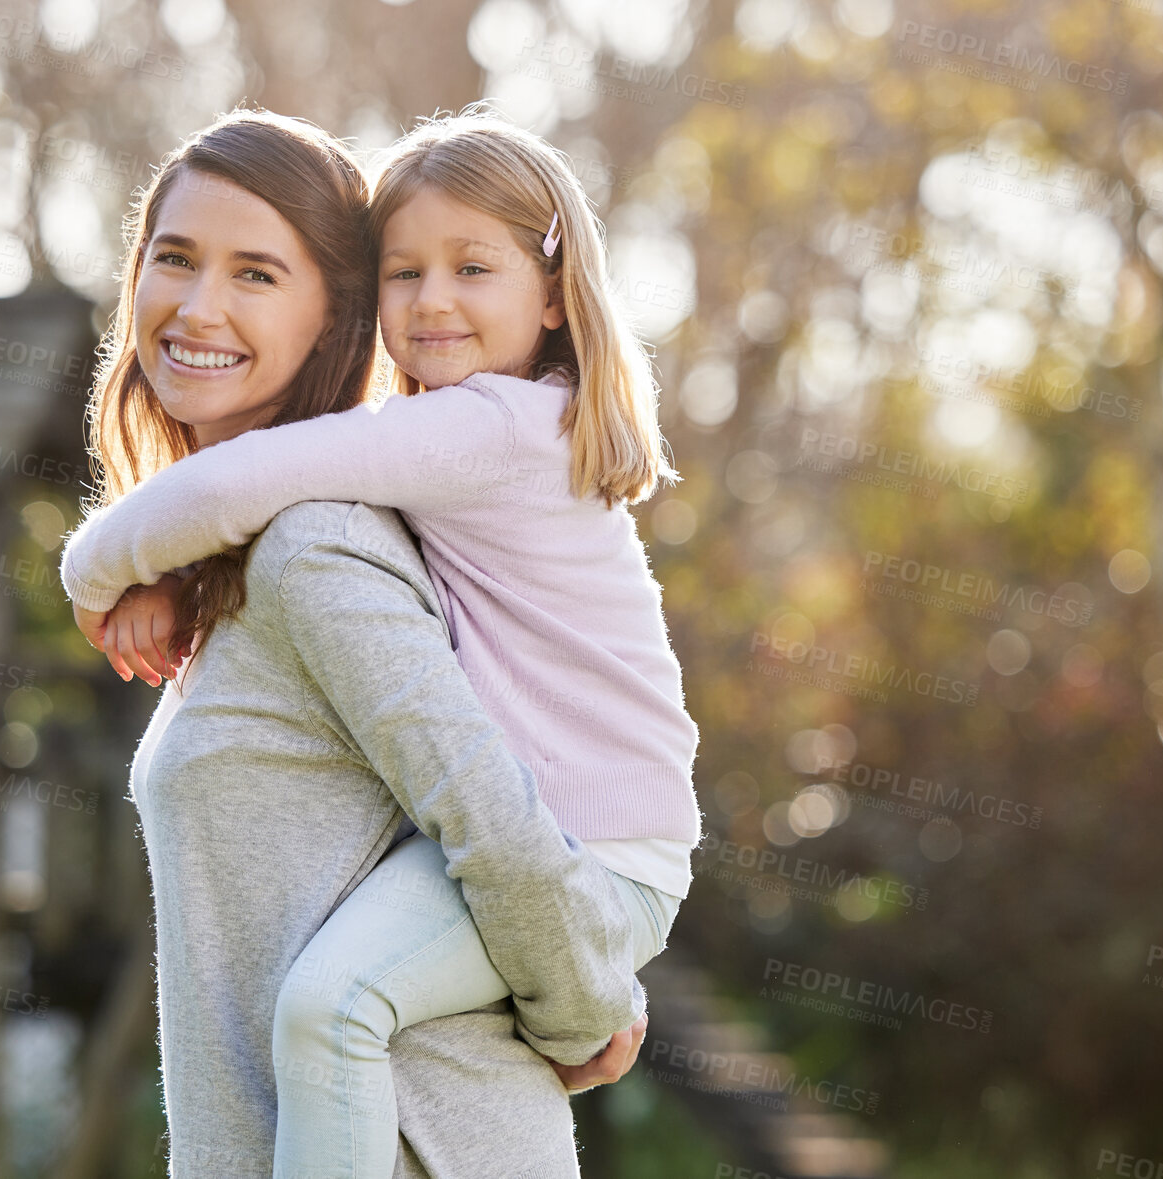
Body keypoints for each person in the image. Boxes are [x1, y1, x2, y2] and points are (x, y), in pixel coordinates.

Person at [63, 110, 702, 1179]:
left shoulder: (326, 542)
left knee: (337, 999)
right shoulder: (314, 538)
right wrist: (163, 568)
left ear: (333, 313)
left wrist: (590, 986)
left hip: (442, 1131)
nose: (201, 303)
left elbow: (485, 805)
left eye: (258, 273)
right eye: (174, 257)